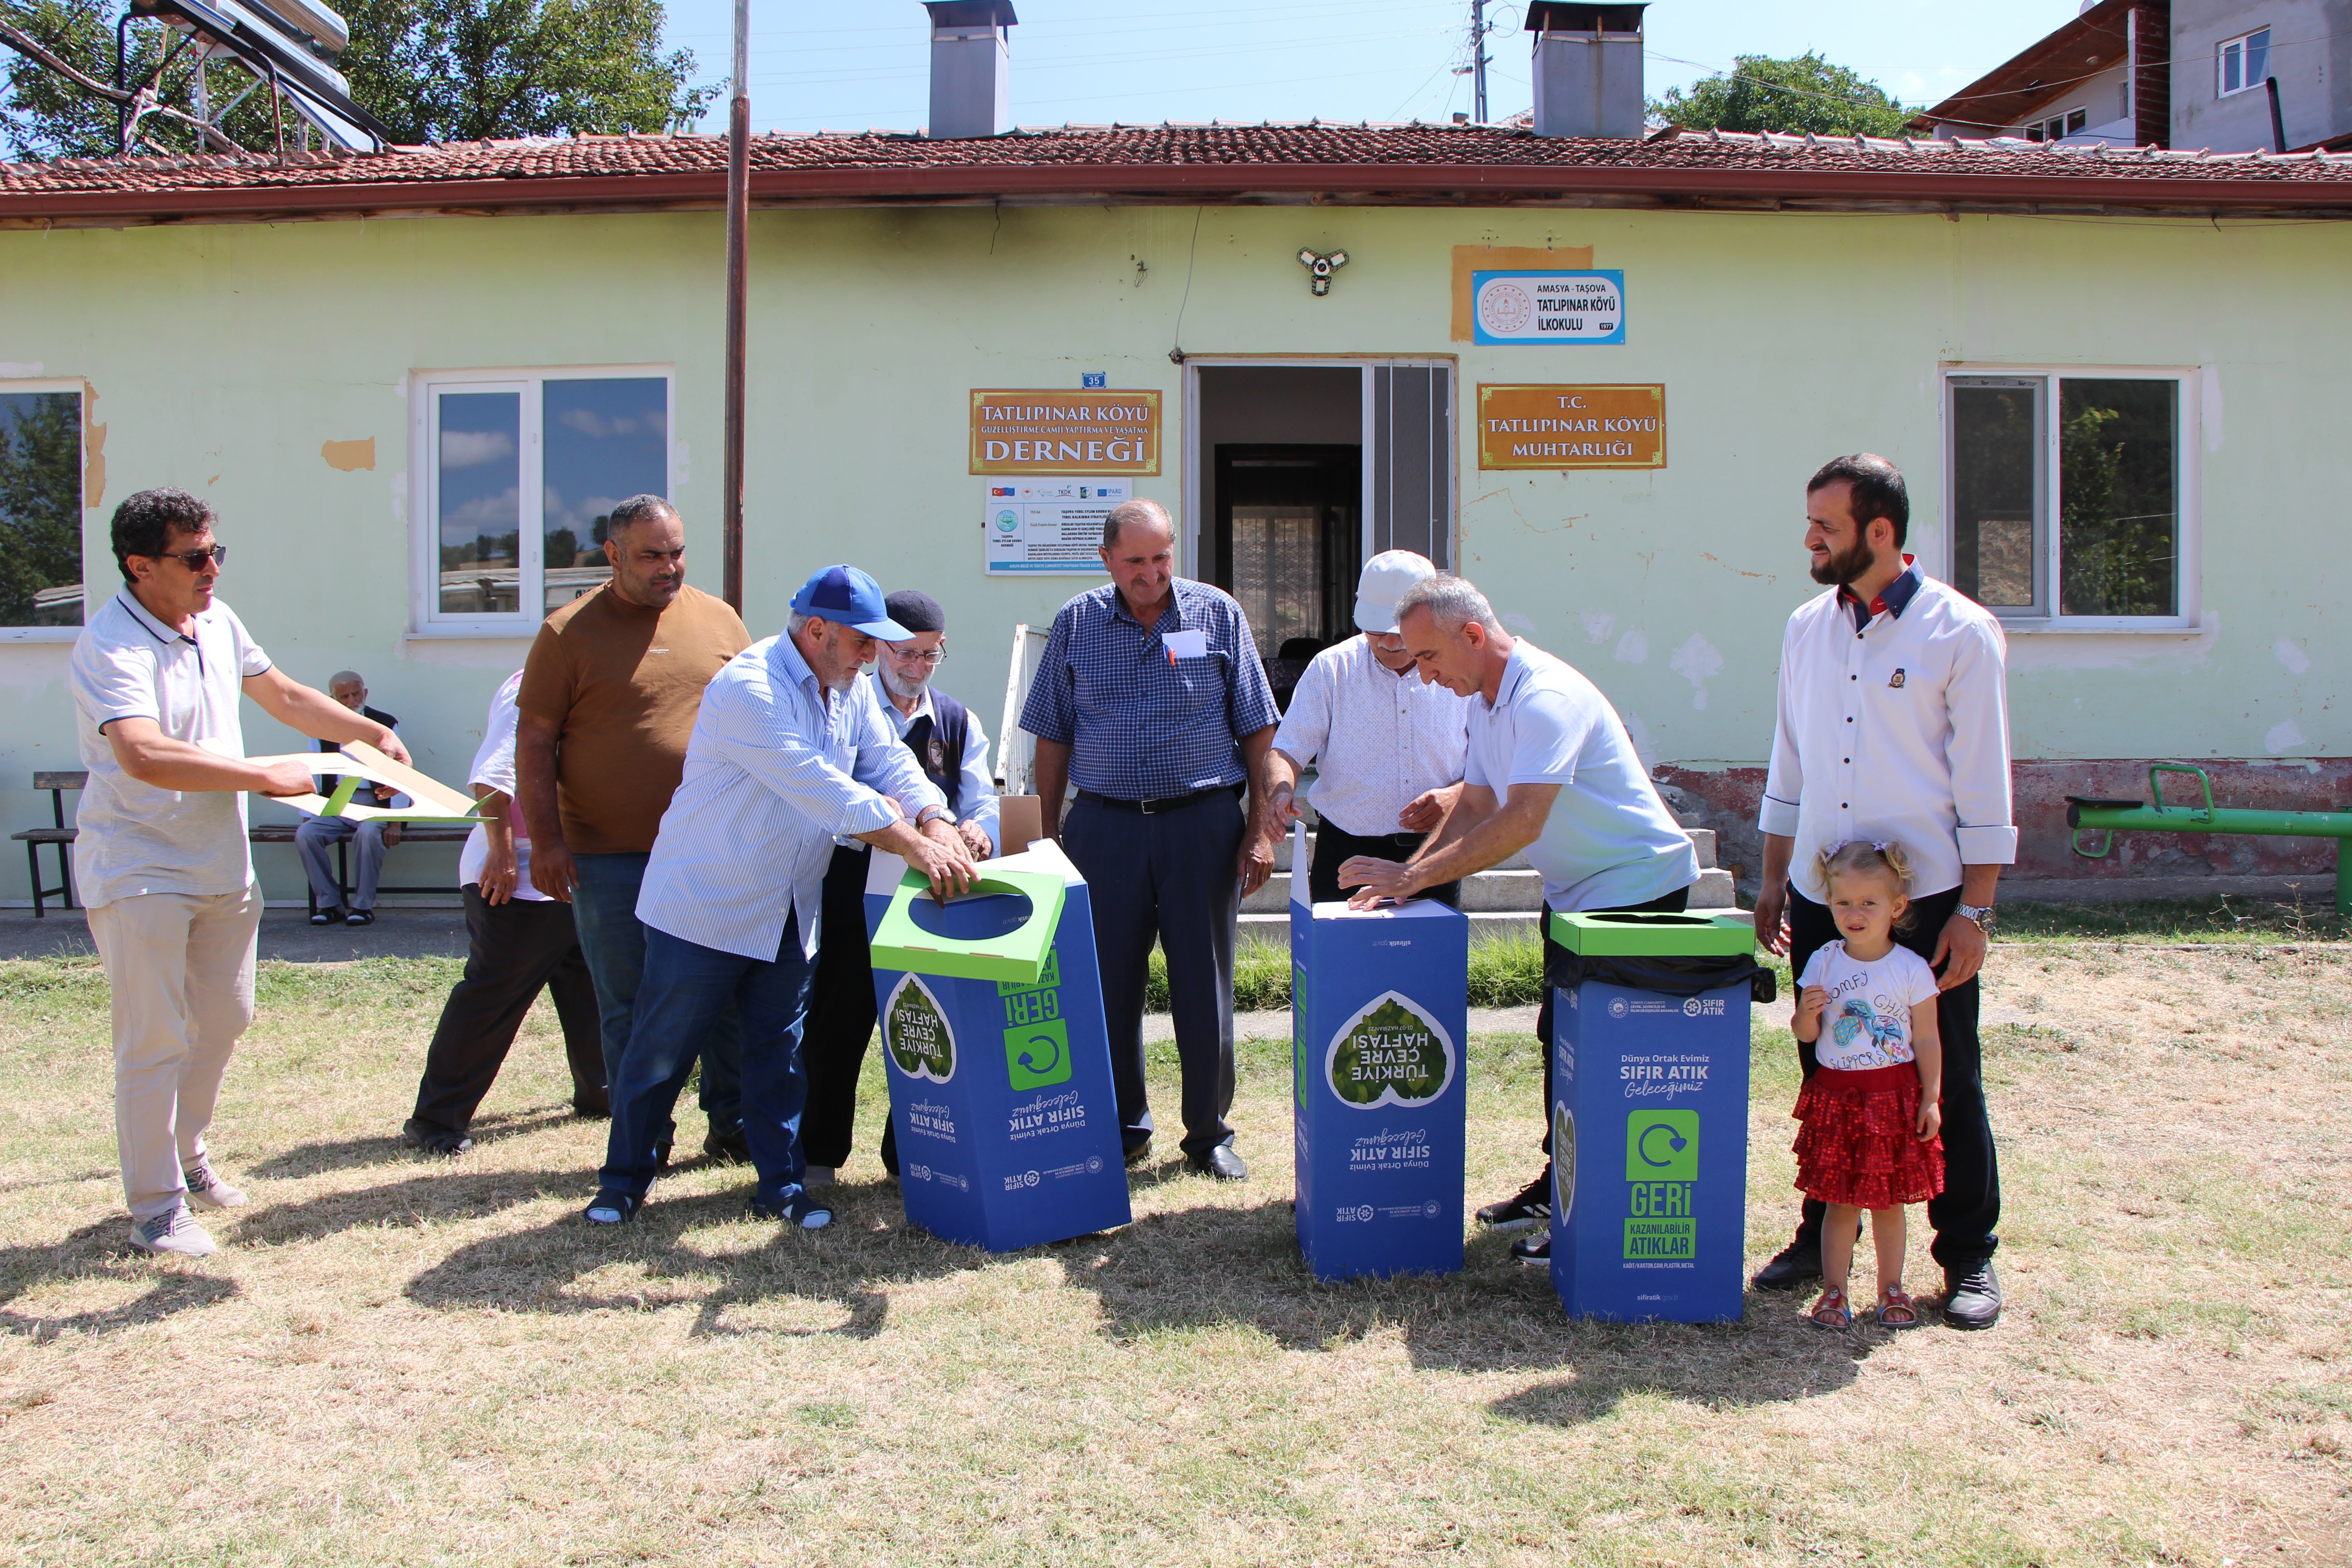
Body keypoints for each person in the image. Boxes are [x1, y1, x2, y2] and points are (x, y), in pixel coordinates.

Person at [69, 487, 410, 1257]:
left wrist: (364, 736)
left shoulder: (216, 620)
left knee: (225, 1019)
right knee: (153, 1041)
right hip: (138, 867)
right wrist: (262, 778)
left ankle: (187, 1156)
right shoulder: (109, 646)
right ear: (139, 566)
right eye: (193, 557)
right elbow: (142, 753)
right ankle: (156, 1209)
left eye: (215, 551)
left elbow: (283, 694)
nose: (211, 568)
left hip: (220, 865)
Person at [584, 566, 977, 1231]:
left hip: (790, 910)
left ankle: (781, 1187)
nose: (870, 657)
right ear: (817, 630)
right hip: (705, 906)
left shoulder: (845, 686)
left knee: (779, 1056)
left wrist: (935, 816)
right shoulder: (749, 686)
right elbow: (820, 785)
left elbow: (886, 761)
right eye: (862, 642)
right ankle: (623, 1183)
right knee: (660, 1055)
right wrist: (916, 846)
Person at [1341, 573, 1699, 1263]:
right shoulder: (1484, 699)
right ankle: (1556, 1186)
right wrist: (1403, 884)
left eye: (1428, 658)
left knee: (1604, 1059)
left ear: (1472, 636)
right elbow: (1474, 805)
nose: (1422, 676)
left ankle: (1586, 1216)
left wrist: (1412, 876)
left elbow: (1522, 820)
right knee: (1561, 1041)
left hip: (1637, 891)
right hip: (1576, 896)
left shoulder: (1545, 698)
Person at [1750, 453, 2014, 1331]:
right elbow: (1788, 763)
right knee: (1828, 1071)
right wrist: (1770, 881)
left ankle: (1965, 1255)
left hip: (1926, 902)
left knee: (1944, 1073)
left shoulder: (1958, 634)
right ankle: (1818, 1238)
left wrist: (1973, 911)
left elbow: (1982, 790)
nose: (1807, 540)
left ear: (1879, 532)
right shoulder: (1802, 628)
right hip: (1822, 895)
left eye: (1823, 525)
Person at [1019, 498, 1281, 1180]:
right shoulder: (1077, 623)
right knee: (1108, 983)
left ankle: (1208, 1134)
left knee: (1205, 981)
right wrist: (1045, 837)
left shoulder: (1217, 614)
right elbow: (1051, 735)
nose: (1151, 574)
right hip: (1103, 827)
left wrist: (1260, 827)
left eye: (1162, 558)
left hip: (1201, 824)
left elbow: (1258, 727)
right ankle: (1121, 1125)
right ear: (1107, 559)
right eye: (1135, 561)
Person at [515, 495, 753, 1165]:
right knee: (629, 1004)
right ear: (613, 554)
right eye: (651, 555)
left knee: (726, 994)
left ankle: (731, 1124)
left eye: (676, 551)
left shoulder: (720, 620)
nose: (668, 567)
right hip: (608, 857)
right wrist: (548, 841)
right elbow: (534, 742)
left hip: (712, 850)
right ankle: (643, 1139)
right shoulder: (568, 633)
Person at [799, 589, 999, 1188]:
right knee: (839, 1021)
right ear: (877, 648)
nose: (917, 667)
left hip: (932, 895)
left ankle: (910, 1155)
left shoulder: (957, 721)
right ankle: (817, 1157)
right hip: (851, 887)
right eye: (907, 653)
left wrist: (978, 831)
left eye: (931, 656)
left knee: (927, 1024)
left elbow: (982, 797)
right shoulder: (843, 709)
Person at [402, 670, 608, 1155]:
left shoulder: (602, 680)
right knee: (492, 997)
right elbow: (493, 774)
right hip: (516, 876)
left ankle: (602, 1093)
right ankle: (437, 1119)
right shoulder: (534, 683)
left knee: (593, 991)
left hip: (581, 872)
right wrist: (500, 851)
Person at [1788, 839, 1945, 1331]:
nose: (1855, 914)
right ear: (1829, 903)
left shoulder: (1911, 969)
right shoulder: (1824, 962)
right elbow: (1806, 1036)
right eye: (1843, 903)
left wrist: (1932, 1097)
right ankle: (1835, 1291)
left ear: (1896, 907)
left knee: (1890, 1202)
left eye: (1869, 903)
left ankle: (1890, 1289)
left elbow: (1927, 1037)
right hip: (1838, 1096)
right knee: (1840, 1201)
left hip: (1893, 1097)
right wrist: (1806, 1016)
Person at [1262, 550, 1469, 906]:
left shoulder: (1462, 671)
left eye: (1399, 632)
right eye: (1377, 632)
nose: (1390, 644)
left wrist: (1457, 795)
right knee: (1344, 959)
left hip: (1437, 848)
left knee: (1430, 958)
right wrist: (1280, 791)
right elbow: (1287, 748)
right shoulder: (1332, 669)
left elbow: (1494, 762)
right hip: (1347, 851)